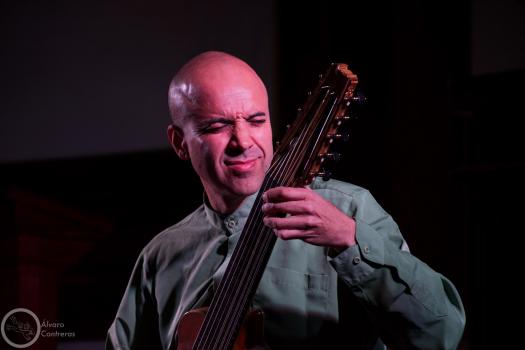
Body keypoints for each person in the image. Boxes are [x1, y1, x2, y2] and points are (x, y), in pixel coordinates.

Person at [106, 51, 466, 350]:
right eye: (217, 126)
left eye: (256, 120)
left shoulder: (348, 209)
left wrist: (350, 240)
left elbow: (441, 333)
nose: (243, 141)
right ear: (180, 142)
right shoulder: (161, 254)